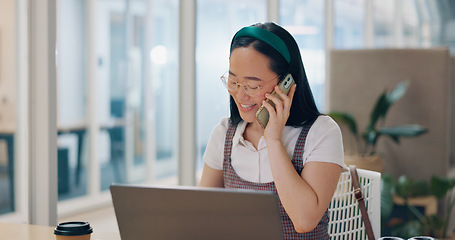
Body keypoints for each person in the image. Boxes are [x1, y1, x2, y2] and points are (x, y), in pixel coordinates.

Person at [199, 22, 346, 239]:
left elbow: (304, 220)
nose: (240, 95)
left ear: (286, 82)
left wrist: (273, 140)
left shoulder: (321, 132)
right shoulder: (224, 134)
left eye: (253, 85)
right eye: (233, 81)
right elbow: (200, 215)